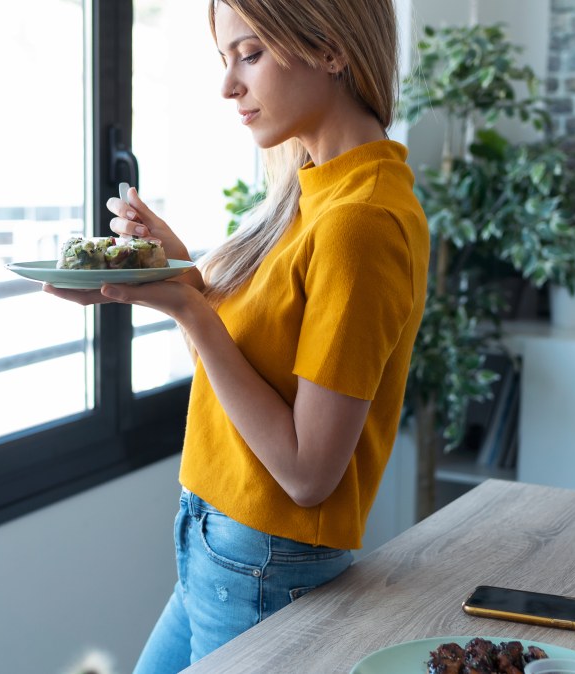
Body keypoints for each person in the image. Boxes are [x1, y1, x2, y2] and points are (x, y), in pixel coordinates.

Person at [44, 0, 429, 671]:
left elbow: (309, 473)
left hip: (264, 562)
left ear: (332, 50)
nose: (228, 86)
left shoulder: (359, 223)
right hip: (218, 543)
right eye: (226, 60)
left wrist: (191, 310)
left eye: (249, 55)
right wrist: (180, 277)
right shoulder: (313, 191)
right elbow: (250, 373)